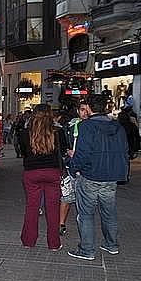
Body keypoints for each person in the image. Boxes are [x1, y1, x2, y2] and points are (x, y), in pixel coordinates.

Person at [67, 94, 129, 260]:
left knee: (86, 214)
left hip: (91, 175)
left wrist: (74, 169)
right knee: (109, 212)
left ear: (89, 108)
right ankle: (111, 244)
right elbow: (124, 151)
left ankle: (87, 250)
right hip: (112, 176)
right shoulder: (118, 126)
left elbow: (82, 153)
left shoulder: (87, 126)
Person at [19, 104, 68, 251]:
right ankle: (54, 243)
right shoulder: (58, 132)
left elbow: (24, 152)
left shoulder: (25, 133)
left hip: (32, 172)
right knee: (52, 208)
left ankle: (29, 240)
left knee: (32, 207)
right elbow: (64, 151)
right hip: (52, 173)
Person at [59, 101, 90, 236]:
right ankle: (61, 224)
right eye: (82, 109)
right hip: (69, 166)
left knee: (84, 200)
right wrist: (67, 151)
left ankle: (84, 225)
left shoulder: (93, 127)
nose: (85, 112)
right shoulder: (70, 126)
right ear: (78, 111)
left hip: (86, 168)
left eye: (87, 110)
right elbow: (61, 144)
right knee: (66, 197)